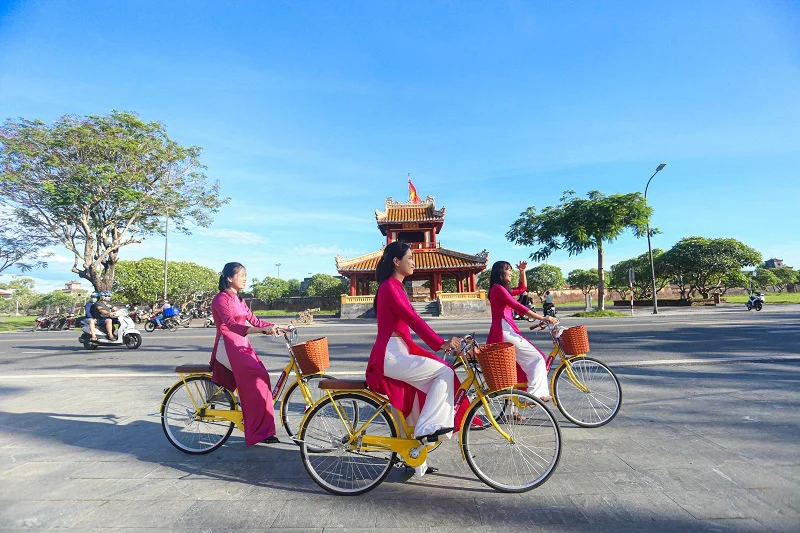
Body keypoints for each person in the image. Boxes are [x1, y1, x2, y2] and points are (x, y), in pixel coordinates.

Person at [366, 241, 465, 477]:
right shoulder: (390, 286)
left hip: (397, 351)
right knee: (445, 372)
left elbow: (410, 319)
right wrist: (440, 343)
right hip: (391, 354)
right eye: (409, 258)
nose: (414, 262)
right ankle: (429, 428)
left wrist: (439, 344)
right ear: (396, 261)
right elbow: (412, 318)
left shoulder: (395, 286)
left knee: (415, 404)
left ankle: (415, 461)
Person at [209, 262, 290, 446]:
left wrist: (278, 326)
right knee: (254, 381)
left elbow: (255, 321)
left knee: (263, 378)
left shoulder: (240, 300)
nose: (245, 278)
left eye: (246, 275)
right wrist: (261, 331)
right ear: (230, 278)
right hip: (227, 344)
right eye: (242, 275)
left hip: (241, 344)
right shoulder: (221, 299)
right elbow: (231, 325)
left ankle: (263, 430)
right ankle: (256, 429)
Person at [487, 261, 558, 401]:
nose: (511, 273)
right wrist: (542, 317)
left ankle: (513, 409)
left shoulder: (501, 289)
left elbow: (522, 288)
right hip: (504, 331)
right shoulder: (498, 289)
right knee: (537, 358)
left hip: (505, 330)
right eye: (508, 270)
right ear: (500, 272)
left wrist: (522, 271)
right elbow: (517, 306)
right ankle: (535, 395)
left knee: (516, 370)